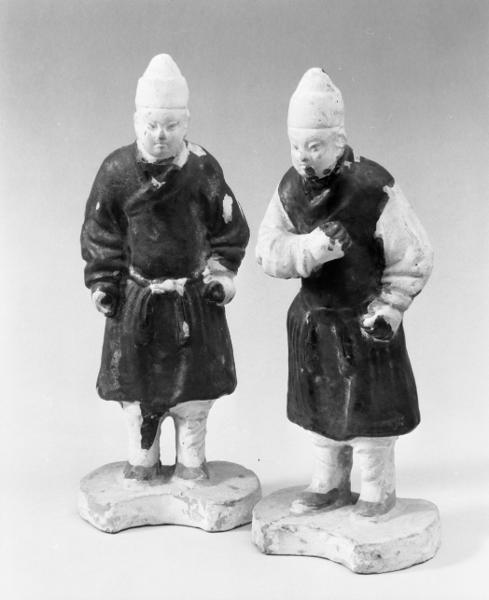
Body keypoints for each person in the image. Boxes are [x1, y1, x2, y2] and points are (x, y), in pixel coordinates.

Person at [256, 68, 433, 516]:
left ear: (339, 140)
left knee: (370, 415)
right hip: (315, 320)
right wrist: (307, 250)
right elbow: (267, 250)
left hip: (364, 321)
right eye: (296, 146)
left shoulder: (372, 186)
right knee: (321, 412)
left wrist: (391, 307)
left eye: (314, 146)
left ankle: (376, 488)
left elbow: (413, 254)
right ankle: (329, 483)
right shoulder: (289, 188)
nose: (303, 157)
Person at [81, 54, 249, 481]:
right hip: (137, 302)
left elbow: (229, 228)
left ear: (185, 123)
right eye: (152, 125)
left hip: (192, 300)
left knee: (194, 398)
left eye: (171, 126)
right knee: (138, 396)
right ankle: (144, 462)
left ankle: (192, 463)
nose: (160, 135)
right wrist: (104, 283)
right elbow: (100, 232)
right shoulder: (116, 170)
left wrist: (221, 275)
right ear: (136, 121)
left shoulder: (203, 168)